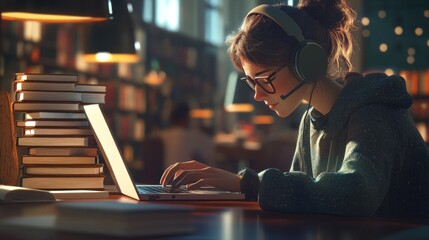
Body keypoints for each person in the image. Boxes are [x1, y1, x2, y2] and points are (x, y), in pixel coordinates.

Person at [160, 0, 429, 218]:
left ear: (307, 62)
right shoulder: (311, 121)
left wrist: (247, 183)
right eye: (251, 81)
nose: (257, 93)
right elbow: (300, 195)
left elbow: (356, 193)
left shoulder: (374, 112)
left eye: (264, 79)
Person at [153, 102, 215, 169]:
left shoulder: (159, 135)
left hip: (162, 176)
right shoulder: (195, 137)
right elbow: (210, 162)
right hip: (186, 176)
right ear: (187, 118)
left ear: (171, 117)